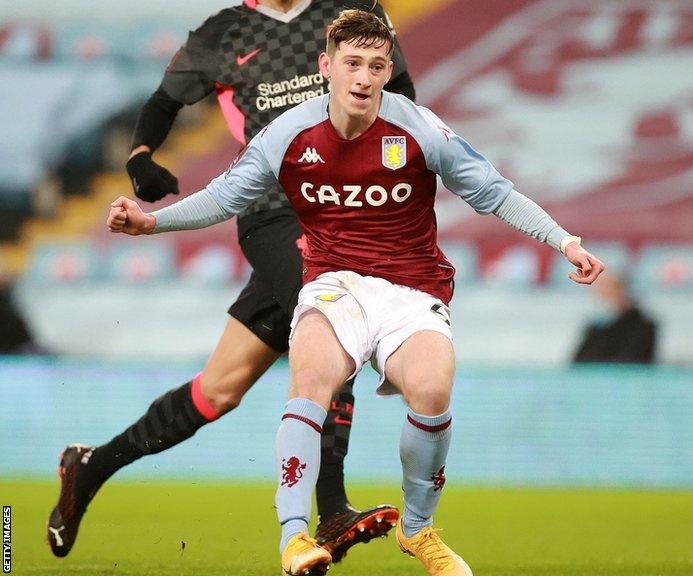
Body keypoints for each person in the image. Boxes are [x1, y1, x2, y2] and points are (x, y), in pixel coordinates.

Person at [106, 9, 604, 575]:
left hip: (411, 289)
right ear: (327, 67)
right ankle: (295, 538)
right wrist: (151, 222)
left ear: (389, 71)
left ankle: (419, 532)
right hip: (333, 286)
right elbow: (225, 197)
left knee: (432, 391)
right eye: (352, 64)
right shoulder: (289, 133)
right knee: (311, 380)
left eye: (376, 65)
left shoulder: (420, 129)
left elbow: (493, 191)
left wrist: (563, 241)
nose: (363, 77)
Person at [47, 0, 416, 562]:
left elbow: (404, 95)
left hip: (341, 210)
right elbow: (163, 101)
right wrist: (141, 156)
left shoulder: (351, 14)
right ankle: (333, 509)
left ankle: (90, 466)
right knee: (335, 330)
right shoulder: (225, 33)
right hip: (273, 211)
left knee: (217, 390)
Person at [572, 273, 657, 364]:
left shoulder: (643, 326)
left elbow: (629, 361)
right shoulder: (595, 327)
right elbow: (579, 362)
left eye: (608, 289)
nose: (603, 295)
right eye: (600, 291)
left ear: (621, 290)